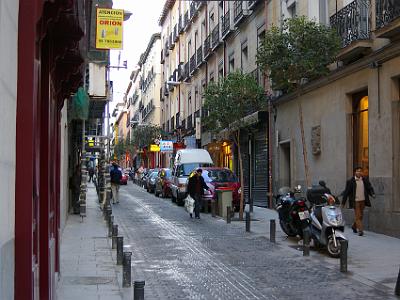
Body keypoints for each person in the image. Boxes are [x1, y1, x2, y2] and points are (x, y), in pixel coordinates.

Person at [341, 166, 375, 236]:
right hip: (355, 201)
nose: (359, 172)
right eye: (357, 171)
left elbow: (369, 187)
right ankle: (360, 230)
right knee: (358, 215)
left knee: (361, 216)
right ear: (355, 172)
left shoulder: (364, 179)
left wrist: (372, 194)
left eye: (360, 171)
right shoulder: (350, 181)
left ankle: (354, 226)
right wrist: (343, 203)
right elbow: (346, 192)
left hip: (363, 200)